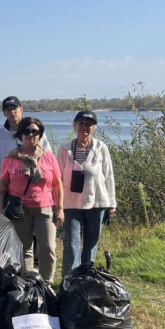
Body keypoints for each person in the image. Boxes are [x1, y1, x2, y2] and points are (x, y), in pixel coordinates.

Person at [0, 117, 64, 285]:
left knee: (48, 249)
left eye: (35, 131)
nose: (30, 135)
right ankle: (28, 284)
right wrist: (1, 211)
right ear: (20, 134)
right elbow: (2, 187)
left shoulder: (48, 157)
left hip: (45, 208)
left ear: (40, 134)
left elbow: (57, 183)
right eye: (26, 131)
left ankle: (46, 284)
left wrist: (60, 209)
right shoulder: (10, 158)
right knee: (24, 249)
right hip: (20, 210)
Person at [57, 110, 117, 278]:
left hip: (97, 203)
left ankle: (85, 281)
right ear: (75, 126)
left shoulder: (101, 148)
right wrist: (57, 205)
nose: (84, 127)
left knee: (91, 244)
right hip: (70, 204)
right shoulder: (64, 149)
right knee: (71, 244)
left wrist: (112, 203)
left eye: (88, 124)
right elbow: (58, 178)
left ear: (94, 128)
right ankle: (70, 282)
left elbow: (109, 175)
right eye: (81, 123)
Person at [0, 96, 51, 181]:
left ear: (21, 109)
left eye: (15, 108)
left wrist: (42, 174)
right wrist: (0, 176)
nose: (12, 112)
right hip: (7, 185)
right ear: (4, 113)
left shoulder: (36, 131)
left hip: (33, 182)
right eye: (8, 109)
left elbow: (48, 156)